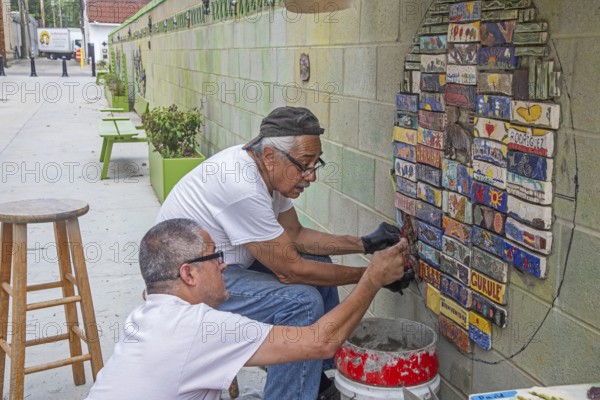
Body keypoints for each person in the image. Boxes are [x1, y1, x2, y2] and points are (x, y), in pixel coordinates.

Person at [156, 106, 401, 399]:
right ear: (271, 156)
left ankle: (315, 379)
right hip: (187, 284)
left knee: (318, 264)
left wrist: (363, 243)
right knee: (302, 302)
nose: (311, 176)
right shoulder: (243, 185)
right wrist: (372, 277)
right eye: (304, 164)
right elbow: (291, 270)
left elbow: (297, 235)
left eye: (315, 164)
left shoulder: (266, 171)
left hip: (220, 264)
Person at [86, 218, 408, 399]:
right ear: (188, 273)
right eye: (215, 257)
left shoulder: (147, 314)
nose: (224, 266)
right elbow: (320, 342)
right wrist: (371, 278)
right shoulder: (201, 328)